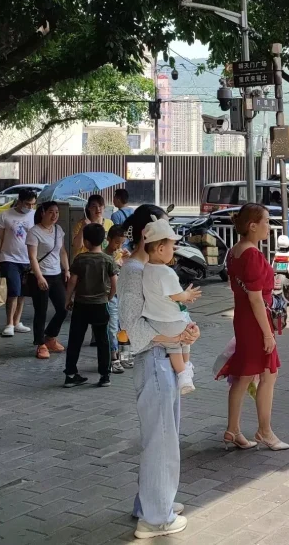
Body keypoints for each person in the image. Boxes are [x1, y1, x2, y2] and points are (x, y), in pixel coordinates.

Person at [118, 214, 200, 539]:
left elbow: (171, 310)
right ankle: (155, 518)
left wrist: (186, 331)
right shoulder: (133, 271)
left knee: (163, 437)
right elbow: (131, 325)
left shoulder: (146, 269)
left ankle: (152, 502)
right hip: (154, 360)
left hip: (162, 358)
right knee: (161, 440)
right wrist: (173, 338)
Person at [219, 203, 289, 451]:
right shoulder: (253, 255)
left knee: (244, 375)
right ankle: (264, 431)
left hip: (243, 318)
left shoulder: (234, 252)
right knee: (268, 374)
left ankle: (233, 429)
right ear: (252, 226)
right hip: (256, 321)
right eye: (266, 221)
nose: (269, 226)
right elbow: (256, 298)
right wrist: (268, 334)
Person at [141, 219, 201, 394]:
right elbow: (176, 295)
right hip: (172, 321)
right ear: (161, 249)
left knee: (174, 346)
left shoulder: (146, 269)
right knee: (185, 339)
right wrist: (187, 295)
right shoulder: (166, 272)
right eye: (172, 247)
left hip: (154, 320)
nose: (174, 250)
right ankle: (184, 371)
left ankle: (183, 371)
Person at [64, 223, 117, 387]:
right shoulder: (108, 260)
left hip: (81, 304)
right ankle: (105, 375)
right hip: (100, 304)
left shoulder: (80, 259)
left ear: (86, 242)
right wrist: (109, 297)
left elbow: (72, 281)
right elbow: (114, 283)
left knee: (75, 339)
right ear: (103, 240)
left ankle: (70, 375)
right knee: (103, 340)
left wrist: (68, 299)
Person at [0, 188, 37, 337]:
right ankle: (9, 323)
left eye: (32, 204)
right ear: (20, 201)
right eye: (27, 204)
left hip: (28, 259)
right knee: (13, 291)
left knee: (22, 292)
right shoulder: (5, 215)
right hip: (9, 258)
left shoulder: (35, 215)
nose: (30, 207)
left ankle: (17, 322)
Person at [27, 201, 69, 360]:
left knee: (63, 308)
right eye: (51, 212)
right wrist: (39, 277)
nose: (54, 215)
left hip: (56, 274)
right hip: (39, 275)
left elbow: (62, 252)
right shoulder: (34, 232)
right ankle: (40, 344)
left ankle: (50, 337)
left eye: (57, 212)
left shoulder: (58, 230)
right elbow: (32, 257)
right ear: (43, 212)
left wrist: (67, 269)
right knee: (41, 311)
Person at [105, 225, 127, 373]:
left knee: (123, 326)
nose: (119, 246)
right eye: (116, 242)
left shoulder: (121, 255)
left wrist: (127, 261)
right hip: (110, 296)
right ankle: (113, 357)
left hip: (122, 295)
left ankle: (123, 354)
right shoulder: (103, 256)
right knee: (112, 327)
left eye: (122, 243)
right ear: (109, 239)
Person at [72, 194, 113, 259]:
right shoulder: (80, 224)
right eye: (94, 206)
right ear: (89, 208)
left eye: (100, 206)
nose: (98, 209)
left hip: (102, 260)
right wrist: (83, 227)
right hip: (84, 260)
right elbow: (77, 246)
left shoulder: (109, 223)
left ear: (104, 207)